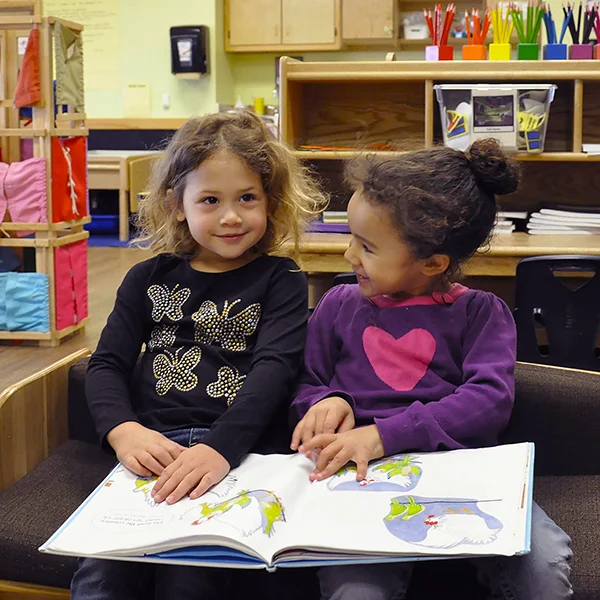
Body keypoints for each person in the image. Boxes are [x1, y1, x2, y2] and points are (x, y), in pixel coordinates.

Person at [290, 139, 573, 600]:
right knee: (356, 590)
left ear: (433, 263)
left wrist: (383, 434)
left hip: (466, 475)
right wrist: (324, 402)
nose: (348, 256)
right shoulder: (338, 305)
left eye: (366, 246)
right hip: (360, 481)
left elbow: (488, 402)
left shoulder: (482, 313)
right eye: (351, 239)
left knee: (541, 566)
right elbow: (306, 382)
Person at [71, 110, 327, 600]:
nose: (231, 216)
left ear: (269, 203)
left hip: (238, 453)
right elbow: (105, 365)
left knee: (189, 577)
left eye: (247, 198)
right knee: (102, 576)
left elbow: (276, 371)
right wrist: (123, 432)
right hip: (152, 449)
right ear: (177, 204)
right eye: (210, 200)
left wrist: (219, 449)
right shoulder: (146, 278)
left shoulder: (283, 279)